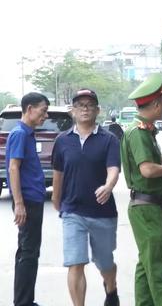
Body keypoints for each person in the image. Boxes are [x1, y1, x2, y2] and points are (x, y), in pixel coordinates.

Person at [51, 89, 121, 306]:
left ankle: (111, 287)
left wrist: (108, 186)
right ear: (72, 111)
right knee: (75, 262)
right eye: (80, 105)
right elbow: (58, 173)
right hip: (73, 210)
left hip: (103, 211)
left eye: (90, 105)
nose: (85, 108)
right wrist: (57, 199)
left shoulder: (108, 139)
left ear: (98, 110)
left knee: (105, 262)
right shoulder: (62, 140)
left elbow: (113, 169)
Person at [120, 72, 162, 306]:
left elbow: (146, 166)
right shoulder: (139, 133)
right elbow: (146, 170)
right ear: (156, 104)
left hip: (149, 208)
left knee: (145, 266)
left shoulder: (144, 130)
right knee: (155, 267)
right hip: (149, 210)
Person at [6, 92, 49, 306]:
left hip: (33, 199)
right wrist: (19, 203)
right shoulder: (20, 133)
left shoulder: (28, 133)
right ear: (30, 109)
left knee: (27, 251)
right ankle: (23, 303)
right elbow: (14, 168)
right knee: (28, 252)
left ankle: (24, 300)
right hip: (28, 201)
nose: (45, 116)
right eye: (42, 111)